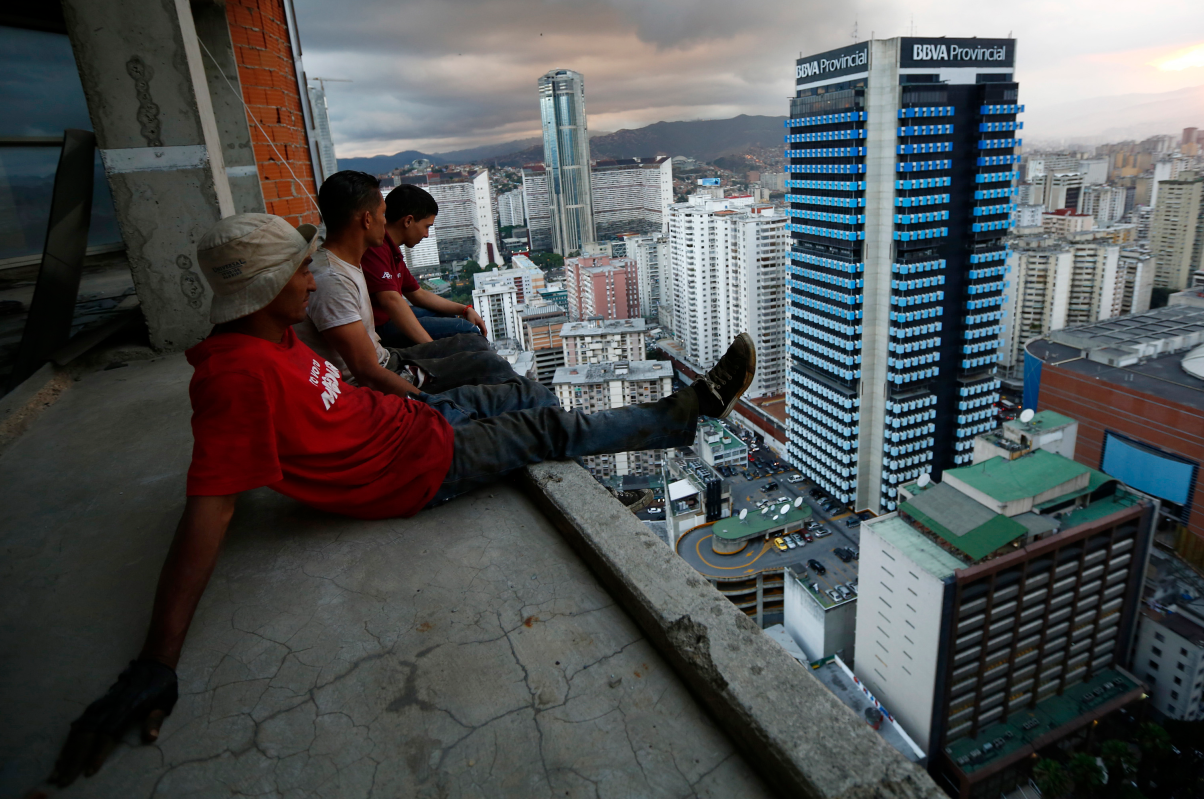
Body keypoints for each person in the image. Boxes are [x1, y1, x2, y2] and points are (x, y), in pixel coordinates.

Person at [48, 211, 756, 786]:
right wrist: (157, 660)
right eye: (299, 271)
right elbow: (210, 508)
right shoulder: (235, 379)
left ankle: (592, 430)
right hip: (417, 468)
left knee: (508, 391)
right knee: (548, 423)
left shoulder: (274, 336)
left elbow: (340, 397)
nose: (310, 279)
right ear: (264, 288)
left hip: (416, 422)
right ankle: (687, 410)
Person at [295, 170, 515, 396]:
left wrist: (464, 308)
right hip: (384, 362)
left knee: (475, 346)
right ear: (367, 219)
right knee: (487, 361)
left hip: (385, 356)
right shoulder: (336, 276)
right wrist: (432, 359)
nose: (385, 220)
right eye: (382, 214)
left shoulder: (353, 260)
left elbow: (416, 293)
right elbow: (369, 369)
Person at [360, 183, 485, 347]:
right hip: (379, 329)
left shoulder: (392, 251)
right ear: (408, 221)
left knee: (448, 317)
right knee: (468, 331)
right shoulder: (377, 248)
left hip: (389, 320)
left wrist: (464, 309)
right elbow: (391, 301)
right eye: (426, 227)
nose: (426, 235)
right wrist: (430, 347)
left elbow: (417, 294)